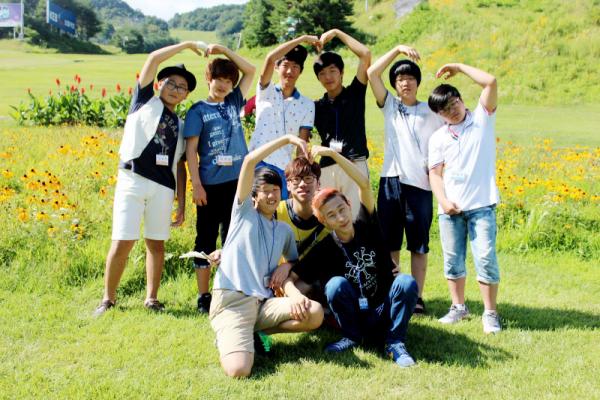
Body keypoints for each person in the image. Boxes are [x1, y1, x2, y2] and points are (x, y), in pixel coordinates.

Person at [284, 146, 419, 368]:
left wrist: (333, 155)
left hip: (383, 309)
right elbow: (292, 279)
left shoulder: (368, 226)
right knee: (335, 285)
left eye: (342, 209)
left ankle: (394, 342)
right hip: (354, 316)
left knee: (406, 282)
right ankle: (351, 337)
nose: (340, 218)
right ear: (325, 222)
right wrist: (295, 297)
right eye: (331, 215)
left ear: (349, 205)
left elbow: (364, 183)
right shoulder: (324, 249)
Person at [94, 42, 201, 316]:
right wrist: (187, 45)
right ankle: (108, 299)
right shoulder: (143, 102)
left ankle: (152, 298)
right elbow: (153, 58)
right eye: (171, 83)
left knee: (156, 243)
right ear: (158, 84)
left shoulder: (182, 125)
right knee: (123, 240)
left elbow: (180, 165)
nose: (175, 89)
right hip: (133, 179)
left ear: (187, 95)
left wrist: (181, 203)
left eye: (182, 87)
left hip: (163, 187)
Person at [208, 134, 324, 378]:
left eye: (276, 190)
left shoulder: (283, 230)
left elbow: (293, 260)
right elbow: (249, 161)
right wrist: (288, 139)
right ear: (254, 197)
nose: (272, 196)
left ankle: (256, 333)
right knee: (239, 370)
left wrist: (287, 266)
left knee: (314, 313)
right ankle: (227, 333)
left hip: (263, 304)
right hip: (234, 302)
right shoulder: (244, 214)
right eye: (265, 191)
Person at [367, 45, 444, 315]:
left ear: (418, 82)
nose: (405, 83)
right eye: (400, 79)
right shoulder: (390, 105)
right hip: (391, 180)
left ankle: (417, 296)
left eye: (410, 78)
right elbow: (372, 73)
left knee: (418, 244)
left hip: (420, 183)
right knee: (390, 243)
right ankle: (393, 292)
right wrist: (397, 50)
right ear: (395, 85)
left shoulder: (431, 111)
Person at [427, 63, 502, 334]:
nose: (453, 110)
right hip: (450, 209)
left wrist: (458, 67)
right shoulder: (438, 138)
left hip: (481, 204)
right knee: (452, 260)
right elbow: (435, 174)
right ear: (439, 115)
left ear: (460, 99)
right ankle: (458, 307)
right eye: (445, 110)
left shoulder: (482, 118)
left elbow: (490, 81)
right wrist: (444, 201)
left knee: (485, 257)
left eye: (454, 103)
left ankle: (490, 313)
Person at [183, 43, 255, 313]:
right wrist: (197, 186)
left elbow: (251, 70)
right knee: (205, 238)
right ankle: (204, 296)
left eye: (228, 80)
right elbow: (191, 151)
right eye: (218, 79)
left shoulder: (234, 101)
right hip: (210, 186)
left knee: (232, 238)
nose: (223, 85)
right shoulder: (198, 111)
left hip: (237, 183)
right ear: (208, 79)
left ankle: (227, 291)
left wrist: (223, 50)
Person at [247, 35, 320, 199]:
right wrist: (301, 39)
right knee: (254, 208)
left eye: (295, 67)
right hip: (257, 162)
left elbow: (302, 146)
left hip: (284, 168)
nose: (289, 71)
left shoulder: (307, 105)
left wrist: (299, 177)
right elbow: (270, 58)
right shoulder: (265, 91)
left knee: (280, 211)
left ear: (300, 71)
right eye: (285, 65)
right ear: (276, 67)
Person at [313, 29, 371, 220]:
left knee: (357, 218)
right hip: (328, 167)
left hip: (354, 163)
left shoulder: (355, 93)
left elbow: (365, 55)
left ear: (342, 72)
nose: (328, 77)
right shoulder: (317, 106)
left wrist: (337, 33)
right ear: (318, 78)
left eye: (332, 71)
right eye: (322, 73)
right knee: (329, 219)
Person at [272, 156, 330, 299]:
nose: (302, 184)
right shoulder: (276, 212)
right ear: (288, 185)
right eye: (296, 180)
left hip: (316, 283)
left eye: (308, 179)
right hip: (279, 282)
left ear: (318, 184)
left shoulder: (329, 217)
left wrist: (290, 265)